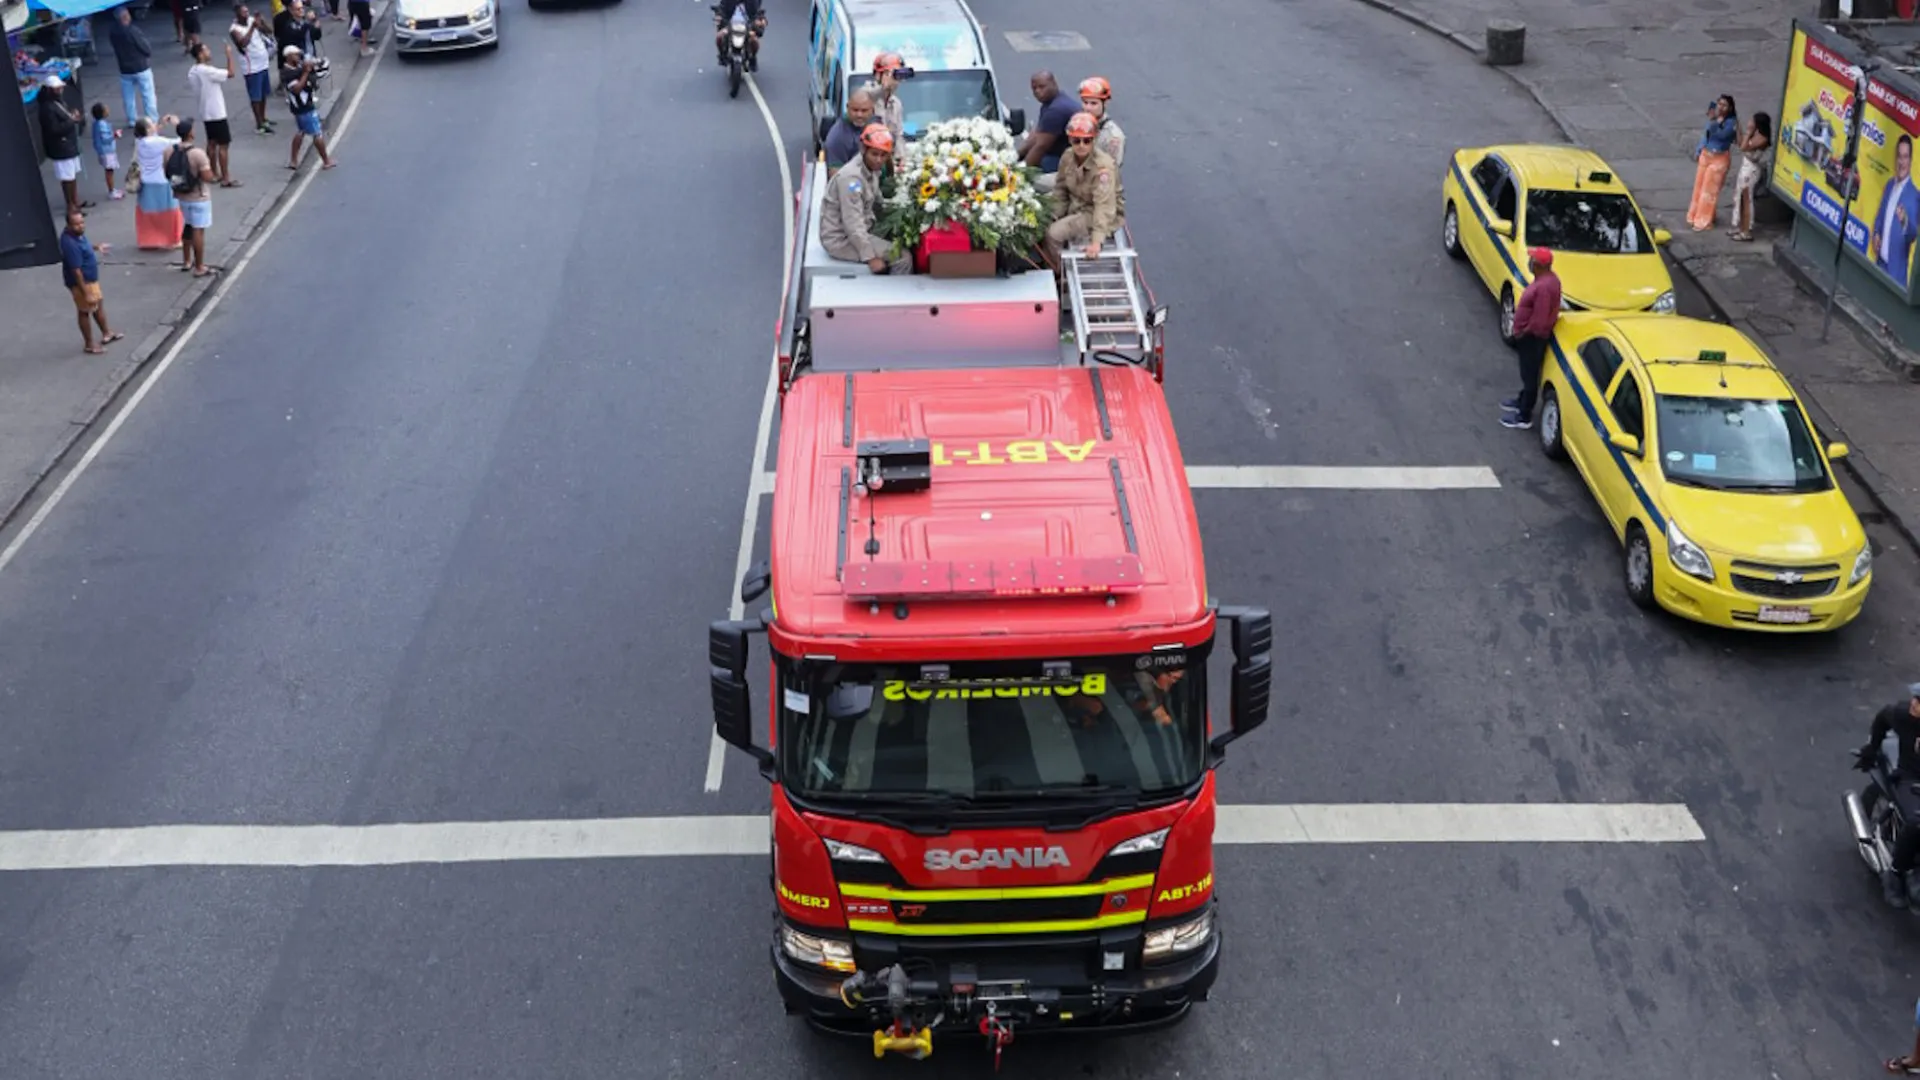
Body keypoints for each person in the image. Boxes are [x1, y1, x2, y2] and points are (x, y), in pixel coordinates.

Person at [1857, 685, 1920, 908]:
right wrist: (1872, 747)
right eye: (1916, 699)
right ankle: (1895, 874)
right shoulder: (1903, 715)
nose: (1914, 704)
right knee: (1916, 822)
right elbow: (1883, 716)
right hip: (1910, 778)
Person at [819, 123, 910, 275]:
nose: (879, 160)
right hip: (841, 239)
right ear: (863, 149)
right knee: (903, 257)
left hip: (863, 228)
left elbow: (879, 203)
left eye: (883, 155)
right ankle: (896, 289)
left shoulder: (872, 169)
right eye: (874, 154)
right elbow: (852, 223)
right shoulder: (851, 179)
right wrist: (870, 257)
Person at [1043, 112, 1124, 269]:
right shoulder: (1067, 157)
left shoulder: (1103, 167)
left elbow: (1104, 206)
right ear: (1070, 140)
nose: (1081, 145)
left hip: (1092, 212)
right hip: (1075, 203)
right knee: (1039, 221)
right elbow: (1061, 190)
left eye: (1087, 141)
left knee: (1054, 234)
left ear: (1094, 140)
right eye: (1076, 140)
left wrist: (1096, 242)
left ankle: (1059, 271)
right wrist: (1052, 214)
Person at [1500, 248, 1561, 430]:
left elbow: (1539, 319)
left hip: (1532, 339)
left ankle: (1524, 416)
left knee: (1529, 375)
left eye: (1532, 260)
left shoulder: (1543, 288)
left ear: (1539, 265)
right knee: (1527, 373)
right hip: (1531, 337)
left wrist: (1524, 332)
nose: (1529, 262)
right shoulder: (1549, 280)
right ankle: (1522, 400)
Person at [59, 209, 122, 354]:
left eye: (82, 222)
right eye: (76, 224)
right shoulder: (70, 244)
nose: (81, 226)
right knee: (84, 311)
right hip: (83, 283)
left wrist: (96, 247)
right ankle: (89, 344)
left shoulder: (78, 235)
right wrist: (86, 292)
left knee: (98, 305)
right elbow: (76, 271)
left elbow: (84, 247)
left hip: (91, 280)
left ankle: (107, 332)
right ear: (69, 225)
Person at [169, 118, 218, 275]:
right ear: (190, 133)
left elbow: (167, 172)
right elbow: (207, 177)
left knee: (188, 225)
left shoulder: (169, 151)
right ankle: (199, 266)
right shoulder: (197, 153)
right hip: (199, 196)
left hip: (181, 196)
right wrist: (213, 176)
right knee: (198, 230)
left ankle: (186, 261)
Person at [1872, 134, 1920, 289]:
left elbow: (1913, 234)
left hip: (1895, 278)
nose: (1901, 162)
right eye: (1899, 156)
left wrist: (1904, 220)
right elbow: (1880, 217)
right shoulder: (1889, 185)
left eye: (1905, 157)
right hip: (1879, 267)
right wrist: (1876, 233)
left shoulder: (1914, 196)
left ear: (1910, 160)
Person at [188, 40, 239, 186]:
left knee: (212, 143)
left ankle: (213, 173)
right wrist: (229, 55)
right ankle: (226, 177)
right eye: (206, 50)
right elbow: (231, 73)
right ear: (200, 54)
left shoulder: (193, 71)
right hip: (217, 111)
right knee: (223, 145)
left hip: (205, 111)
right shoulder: (207, 71)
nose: (209, 52)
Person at [132, 116, 184, 249]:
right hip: (162, 181)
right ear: (148, 129)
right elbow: (180, 141)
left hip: (146, 182)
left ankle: (148, 240)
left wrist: (161, 125)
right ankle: (173, 240)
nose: (155, 124)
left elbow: (152, 135)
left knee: (148, 213)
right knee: (170, 212)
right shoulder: (159, 142)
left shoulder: (139, 142)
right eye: (152, 124)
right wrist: (178, 124)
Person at [1687, 94, 1738, 232]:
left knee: (1709, 191)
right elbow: (1706, 135)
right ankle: (1695, 215)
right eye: (1719, 104)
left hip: (1719, 158)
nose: (1721, 107)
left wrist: (1714, 121)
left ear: (1730, 108)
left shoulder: (1731, 123)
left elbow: (1721, 136)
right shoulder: (1714, 119)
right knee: (1699, 187)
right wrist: (1699, 149)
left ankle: (1703, 221)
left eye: (1724, 105)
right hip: (1706, 154)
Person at [39, 75, 89, 215]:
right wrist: (71, 120)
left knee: (72, 175)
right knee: (67, 178)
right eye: (57, 88)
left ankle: (74, 201)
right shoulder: (47, 108)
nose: (60, 90)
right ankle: (71, 205)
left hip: (68, 144)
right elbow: (54, 129)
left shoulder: (57, 102)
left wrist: (71, 117)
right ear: (50, 90)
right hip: (61, 147)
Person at [281, 45, 337, 170]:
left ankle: (293, 161)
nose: (299, 57)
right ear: (289, 56)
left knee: (301, 131)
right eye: (296, 55)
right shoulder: (287, 73)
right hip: (304, 107)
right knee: (317, 134)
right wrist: (306, 72)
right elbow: (296, 89)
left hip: (301, 107)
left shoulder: (296, 67)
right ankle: (326, 161)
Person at [1017, 70, 1076, 175]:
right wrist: (1016, 156)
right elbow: (1036, 135)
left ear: (1054, 84)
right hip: (1061, 153)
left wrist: (1021, 173)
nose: (1037, 91)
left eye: (1042, 87)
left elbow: (1041, 146)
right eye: (1034, 88)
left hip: (1069, 160)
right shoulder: (1051, 102)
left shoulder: (1056, 110)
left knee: (1039, 166)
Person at [107, 6, 158, 128]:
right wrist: (147, 53)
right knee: (148, 94)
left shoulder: (113, 32)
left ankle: (132, 119)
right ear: (125, 16)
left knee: (128, 96)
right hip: (140, 66)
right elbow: (144, 46)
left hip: (124, 68)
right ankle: (152, 119)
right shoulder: (132, 30)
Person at [230, 5, 277, 135]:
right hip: (251, 67)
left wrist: (262, 21)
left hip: (263, 63)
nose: (247, 14)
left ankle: (263, 118)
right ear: (237, 15)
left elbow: (269, 31)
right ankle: (259, 124)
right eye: (243, 12)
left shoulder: (252, 20)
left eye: (247, 11)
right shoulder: (234, 29)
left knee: (263, 94)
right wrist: (252, 27)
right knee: (255, 96)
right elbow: (243, 43)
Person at [1729, 111, 1770, 243]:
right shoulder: (1755, 135)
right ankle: (1738, 225)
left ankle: (1746, 230)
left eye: (1752, 121)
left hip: (1751, 170)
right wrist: (1739, 128)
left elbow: (1744, 147)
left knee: (1746, 200)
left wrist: (1748, 132)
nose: (1750, 123)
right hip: (1745, 166)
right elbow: (1740, 142)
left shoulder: (1762, 138)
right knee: (1738, 196)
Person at [822, 87, 876, 174]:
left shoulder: (876, 125)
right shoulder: (837, 137)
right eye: (855, 110)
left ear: (872, 110)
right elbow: (836, 175)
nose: (859, 115)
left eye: (864, 111)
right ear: (847, 108)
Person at [273, 1, 322, 87]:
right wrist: (309, 24)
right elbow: (298, 35)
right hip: (298, 61)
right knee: (302, 84)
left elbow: (317, 36)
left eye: (302, 8)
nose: (301, 11)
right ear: (292, 11)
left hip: (310, 56)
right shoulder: (289, 25)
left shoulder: (306, 22)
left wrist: (316, 24)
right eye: (298, 9)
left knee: (312, 83)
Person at [712, 0, 764, 70]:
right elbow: (721, 8)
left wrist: (759, 21)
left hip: (748, 26)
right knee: (719, 37)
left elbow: (758, 13)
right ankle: (722, 55)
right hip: (729, 25)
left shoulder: (752, 1)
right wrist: (719, 16)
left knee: (754, 40)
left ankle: (753, 58)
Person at [869, 52, 905, 147]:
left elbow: (898, 136)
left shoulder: (896, 103)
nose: (896, 81)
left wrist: (902, 154)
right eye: (892, 75)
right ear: (878, 75)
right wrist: (884, 87)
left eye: (898, 76)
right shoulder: (866, 97)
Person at [90, 102, 122, 200]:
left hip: (104, 151)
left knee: (110, 171)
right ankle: (111, 191)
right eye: (106, 109)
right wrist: (115, 135)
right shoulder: (101, 124)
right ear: (102, 113)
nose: (108, 110)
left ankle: (112, 189)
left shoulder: (97, 123)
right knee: (109, 171)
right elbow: (105, 139)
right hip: (106, 152)